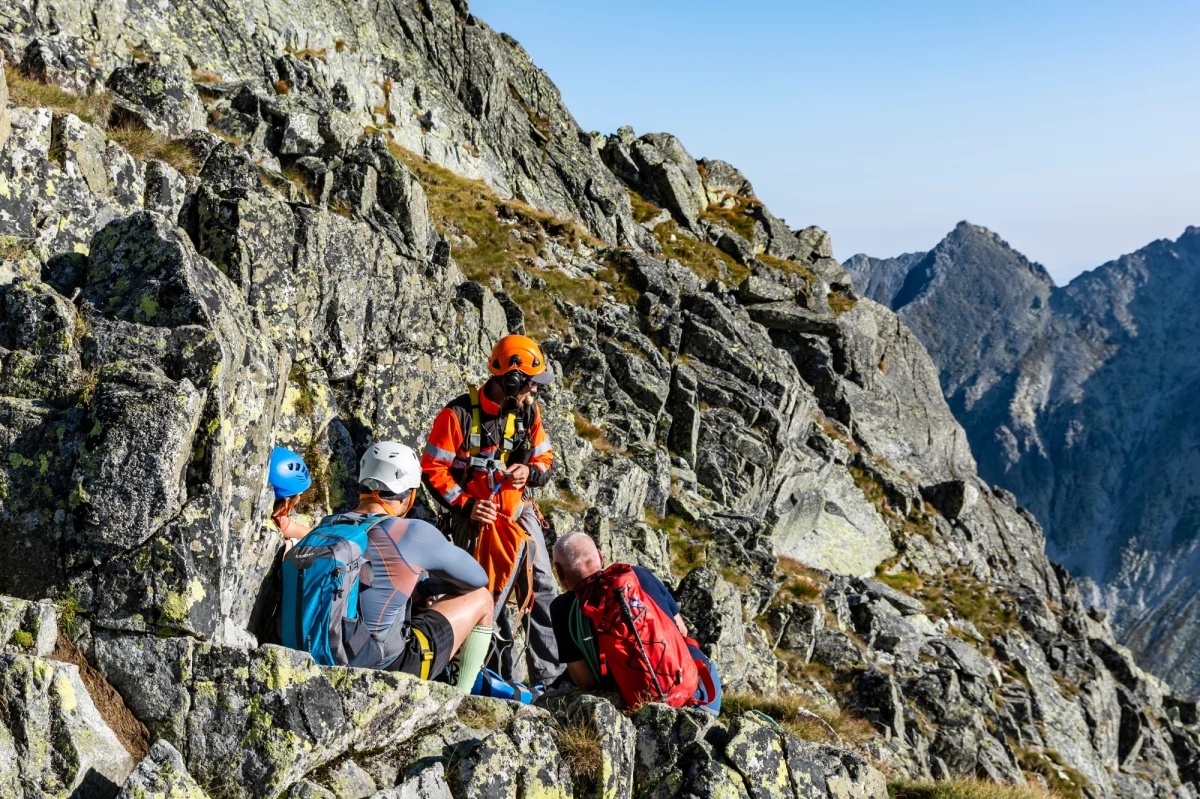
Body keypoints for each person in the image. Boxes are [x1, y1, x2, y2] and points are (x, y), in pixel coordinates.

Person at [292, 441, 494, 691]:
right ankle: (460, 697)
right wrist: (425, 588)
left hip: (317, 653)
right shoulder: (413, 532)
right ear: (409, 495)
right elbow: (478, 578)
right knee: (482, 598)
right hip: (385, 667)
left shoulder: (328, 526)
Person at [420, 334, 560, 685]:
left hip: (518, 510)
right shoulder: (457, 415)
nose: (535, 390)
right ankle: (483, 673)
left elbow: (545, 458)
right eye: (530, 383)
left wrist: (530, 472)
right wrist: (466, 505)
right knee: (484, 592)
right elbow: (433, 470)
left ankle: (551, 677)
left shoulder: (529, 412)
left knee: (542, 586)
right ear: (510, 380)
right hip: (476, 519)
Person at [549, 532, 721, 712]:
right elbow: (682, 631)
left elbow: (586, 682)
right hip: (702, 697)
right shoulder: (638, 575)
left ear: (559, 572)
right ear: (600, 555)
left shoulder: (562, 609)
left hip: (644, 707)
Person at [268, 446, 313, 550]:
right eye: (298, 494)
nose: (299, 498)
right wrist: (290, 544)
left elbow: (311, 533)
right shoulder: (276, 521)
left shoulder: (278, 519)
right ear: (286, 501)